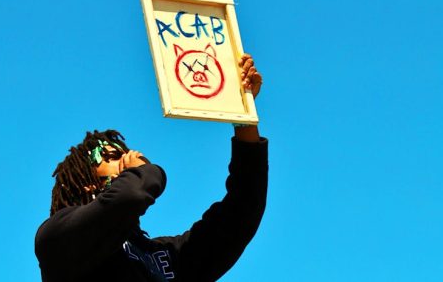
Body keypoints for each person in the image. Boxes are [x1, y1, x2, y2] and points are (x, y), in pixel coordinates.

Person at [35, 54, 268, 282]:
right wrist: (146, 172)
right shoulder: (57, 239)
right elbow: (129, 196)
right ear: (86, 184)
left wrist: (243, 115)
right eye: (113, 156)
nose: (130, 157)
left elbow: (242, 211)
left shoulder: (162, 257)